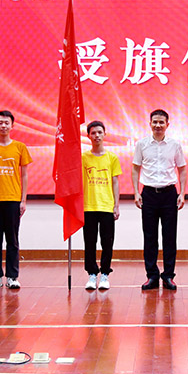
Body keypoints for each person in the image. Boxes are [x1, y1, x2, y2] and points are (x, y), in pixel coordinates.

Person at [132, 109, 187, 290]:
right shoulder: (141, 144)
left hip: (169, 194)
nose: (158, 125)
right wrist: (136, 192)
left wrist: (182, 193)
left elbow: (182, 169)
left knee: (169, 236)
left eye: (161, 122)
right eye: (155, 122)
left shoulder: (175, 145)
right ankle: (152, 276)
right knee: (150, 237)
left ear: (167, 125)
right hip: (148, 194)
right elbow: (135, 169)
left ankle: (168, 275)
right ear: (150, 124)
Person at [0, 110, 32, 290]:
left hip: (13, 200)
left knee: (12, 241)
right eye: (1, 122)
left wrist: (23, 200)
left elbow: (24, 175)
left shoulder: (20, 147)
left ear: (12, 126)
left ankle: (12, 276)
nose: (4, 125)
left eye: (7, 123)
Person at [82, 121, 122, 290]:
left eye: (99, 132)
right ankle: (92, 274)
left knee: (107, 242)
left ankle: (105, 274)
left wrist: (116, 205)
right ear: (88, 136)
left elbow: (115, 182)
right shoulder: (83, 158)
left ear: (104, 134)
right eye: (93, 133)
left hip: (106, 206)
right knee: (89, 242)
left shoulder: (112, 158)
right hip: (88, 206)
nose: (97, 135)